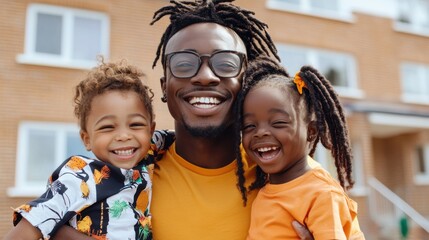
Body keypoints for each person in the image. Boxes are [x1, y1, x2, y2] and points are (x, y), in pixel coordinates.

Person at [52, 0, 313, 239]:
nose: (205, 76)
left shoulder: (291, 176)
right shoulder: (125, 173)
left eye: (226, 63)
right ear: (165, 87)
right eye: (184, 64)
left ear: (246, 83)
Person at [4, 59, 161, 240]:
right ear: (87, 139)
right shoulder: (79, 177)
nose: (124, 136)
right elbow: (34, 222)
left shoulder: (148, 154)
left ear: (151, 130)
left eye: (135, 124)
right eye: (108, 127)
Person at [234, 56, 366, 239]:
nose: (260, 132)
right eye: (249, 126)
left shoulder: (321, 194)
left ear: (311, 132)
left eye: (278, 122)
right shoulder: (265, 189)